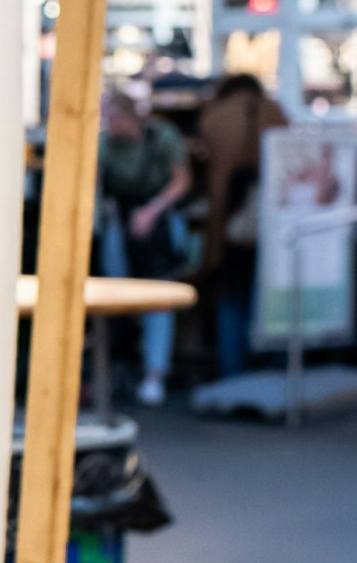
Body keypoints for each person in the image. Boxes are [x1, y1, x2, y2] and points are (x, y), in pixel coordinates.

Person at [96, 85, 192, 404]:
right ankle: (119, 368)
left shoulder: (160, 137)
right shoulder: (105, 145)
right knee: (115, 296)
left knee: (159, 294)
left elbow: (182, 179)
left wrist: (152, 210)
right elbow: (94, 184)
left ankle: (155, 373)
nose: (108, 125)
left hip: (158, 219)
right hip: (119, 222)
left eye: (112, 118)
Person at [196, 72, 286, 377]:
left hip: (227, 220)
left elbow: (203, 159)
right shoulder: (274, 111)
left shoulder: (215, 115)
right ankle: (275, 371)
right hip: (273, 221)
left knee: (229, 296)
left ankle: (232, 371)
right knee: (272, 296)